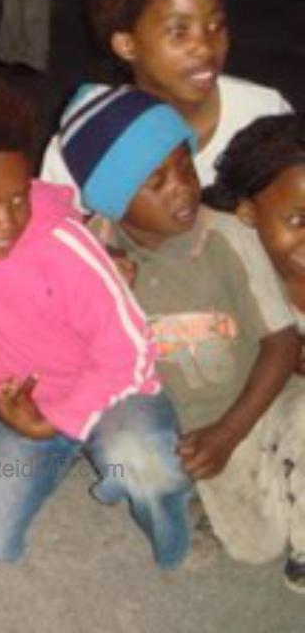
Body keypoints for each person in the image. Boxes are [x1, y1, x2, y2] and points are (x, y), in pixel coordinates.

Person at [0, 70, 191, 567]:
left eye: (17, 198)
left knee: (141, 463)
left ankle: (174, 528)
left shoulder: (62, 245)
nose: (5, 221)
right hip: (16, 406)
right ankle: (49, 461)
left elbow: (131, 352)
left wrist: (60, 417)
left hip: (109, 397)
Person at [42, 0, 293, 204]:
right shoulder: (90, 140)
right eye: (179, 32)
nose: (206, 48)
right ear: (127, 45)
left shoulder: (263, 114)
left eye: (215, 26)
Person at [203, 112, 305, 592]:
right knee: (253, 545)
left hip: (296, 406)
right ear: (247, 213)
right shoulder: (223, 264)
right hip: (234, 403)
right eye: (298, 220)